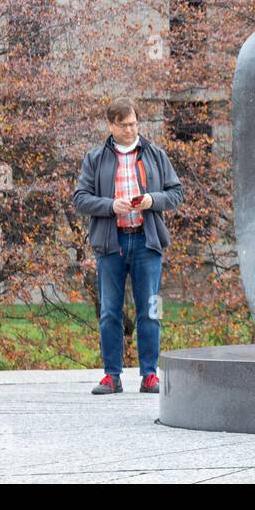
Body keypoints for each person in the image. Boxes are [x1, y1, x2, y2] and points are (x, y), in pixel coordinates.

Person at [73, 98, 184, 395]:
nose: (130, 129)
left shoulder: (155, 154)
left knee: (150, 310)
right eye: (124, 125)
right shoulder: (96, 158)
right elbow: (80, 199)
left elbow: (176, 193)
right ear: (111, 125)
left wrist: (152, 200)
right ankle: (112, 375)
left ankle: (149, 374)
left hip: (147, 241)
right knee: (110, 311)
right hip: (112, 243)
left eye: (134, 123)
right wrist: (111, 206)